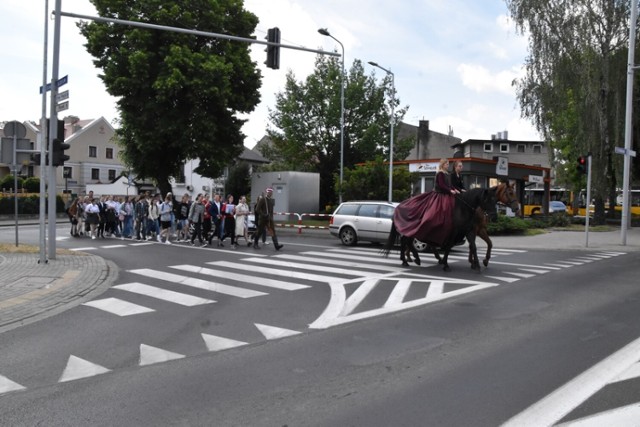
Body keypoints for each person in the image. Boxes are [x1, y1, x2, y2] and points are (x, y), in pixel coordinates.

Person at [393, 158, 459, 247]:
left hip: (446, 195)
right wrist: (450, 191)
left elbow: (450, 185)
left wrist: (454, 189)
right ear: (443, 165)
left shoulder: (447, 174)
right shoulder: (440, 173)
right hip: (439, 195)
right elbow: (441, 185)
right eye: (447, 164)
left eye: (448, 164)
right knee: (432, 214)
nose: (448, 166)